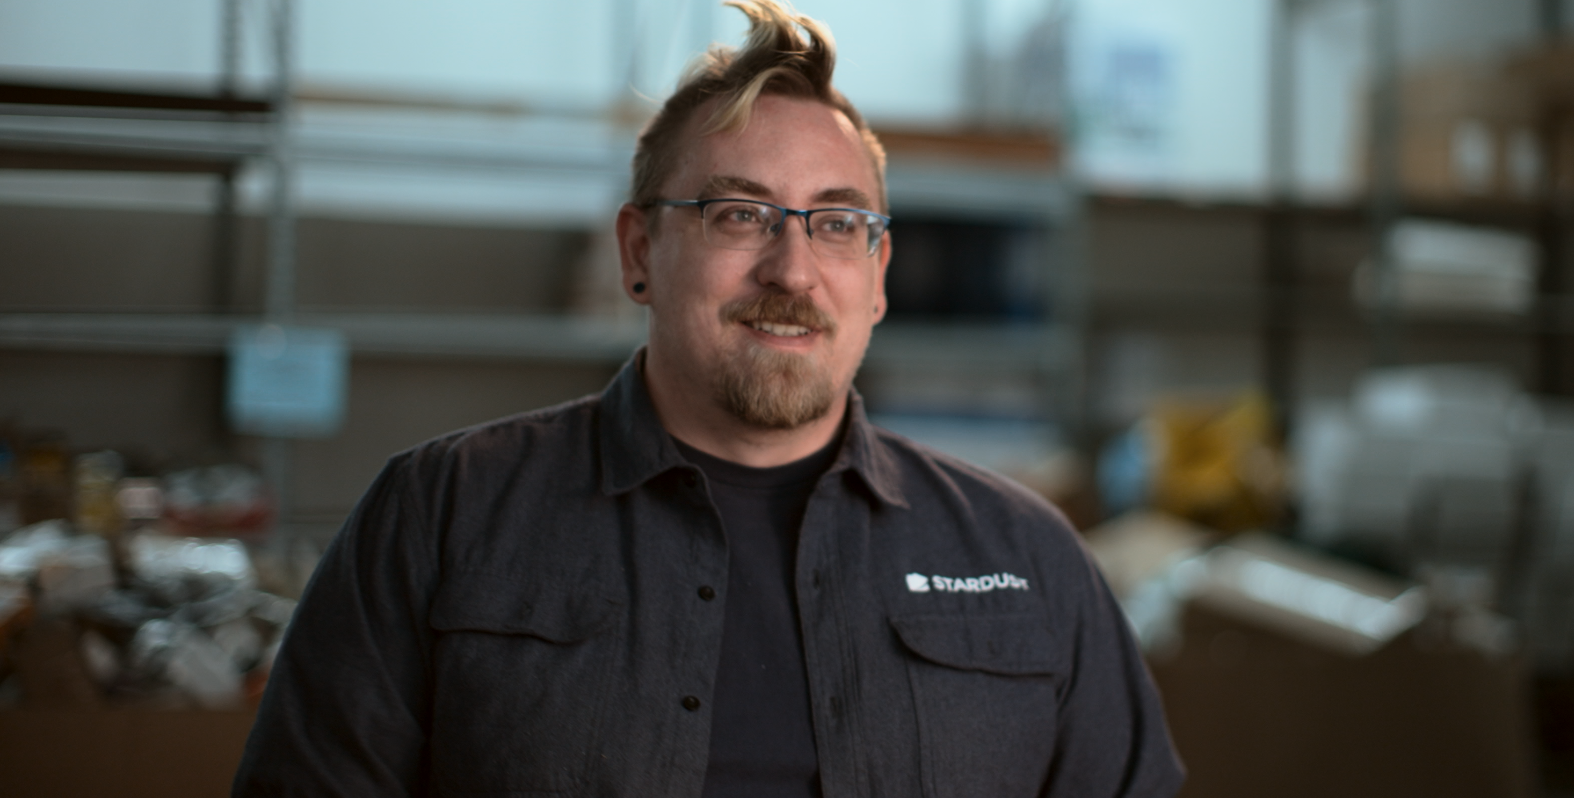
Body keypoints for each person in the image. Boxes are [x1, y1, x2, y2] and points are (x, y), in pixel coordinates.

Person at [231, 2, 1182, 796]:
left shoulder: (1027, 557)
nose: (792, 271)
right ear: (638, 252)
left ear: (878, 273)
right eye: (739, 214)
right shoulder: (441, 515)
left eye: (836, 224)